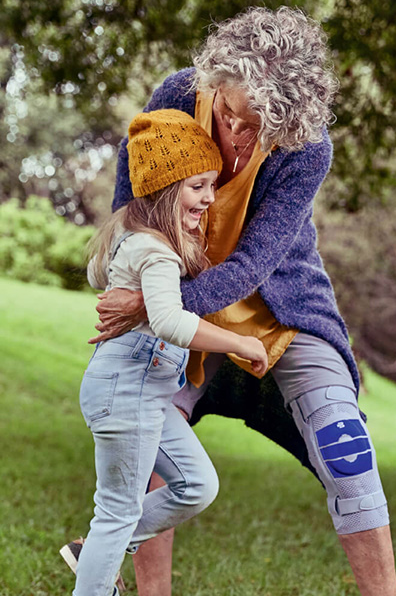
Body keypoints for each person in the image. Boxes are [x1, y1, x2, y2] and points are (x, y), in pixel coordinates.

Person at [92, 6, 396, 596]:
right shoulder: (179, 96)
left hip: (281, 315)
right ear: (213, 84)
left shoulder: (308, 148)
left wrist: (154, 305)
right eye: (231, 116)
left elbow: (254, 264)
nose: (238, 137)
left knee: (347, 448)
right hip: (177, 313)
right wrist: (142, 299)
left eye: (260, 129)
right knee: (147, 447)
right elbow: (131, 216)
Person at [61, 108, 269, 596]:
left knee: (197, 485)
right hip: (127, 392)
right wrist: (240, 342)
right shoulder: (154, 250)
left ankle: (94, 549)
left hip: (146, 394)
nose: (209, 198)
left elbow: (100, 278)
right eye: (197, 185)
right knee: (118, 509)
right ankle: (97, 572)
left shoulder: (131, 237)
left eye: (212, 185)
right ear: (165, 187)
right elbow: (170, 322)